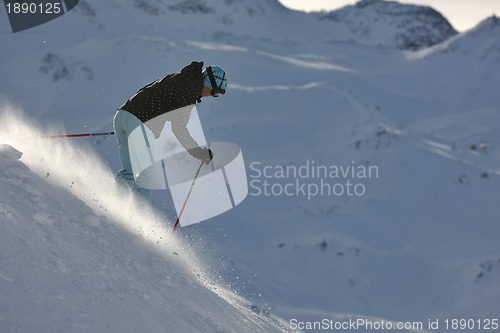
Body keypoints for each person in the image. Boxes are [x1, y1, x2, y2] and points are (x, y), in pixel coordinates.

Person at [113, 61, 227, 187]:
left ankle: (113, 200)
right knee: (145, 178)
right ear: (208, 83)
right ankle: (136, 207)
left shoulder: (179, 77)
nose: (213, 96)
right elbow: (179, 129)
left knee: (129, 173)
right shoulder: (190, 90)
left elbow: (146, 89)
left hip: (123, 115)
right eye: (216, 93)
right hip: (139, 124)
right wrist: (199, 153)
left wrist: (131, 122)